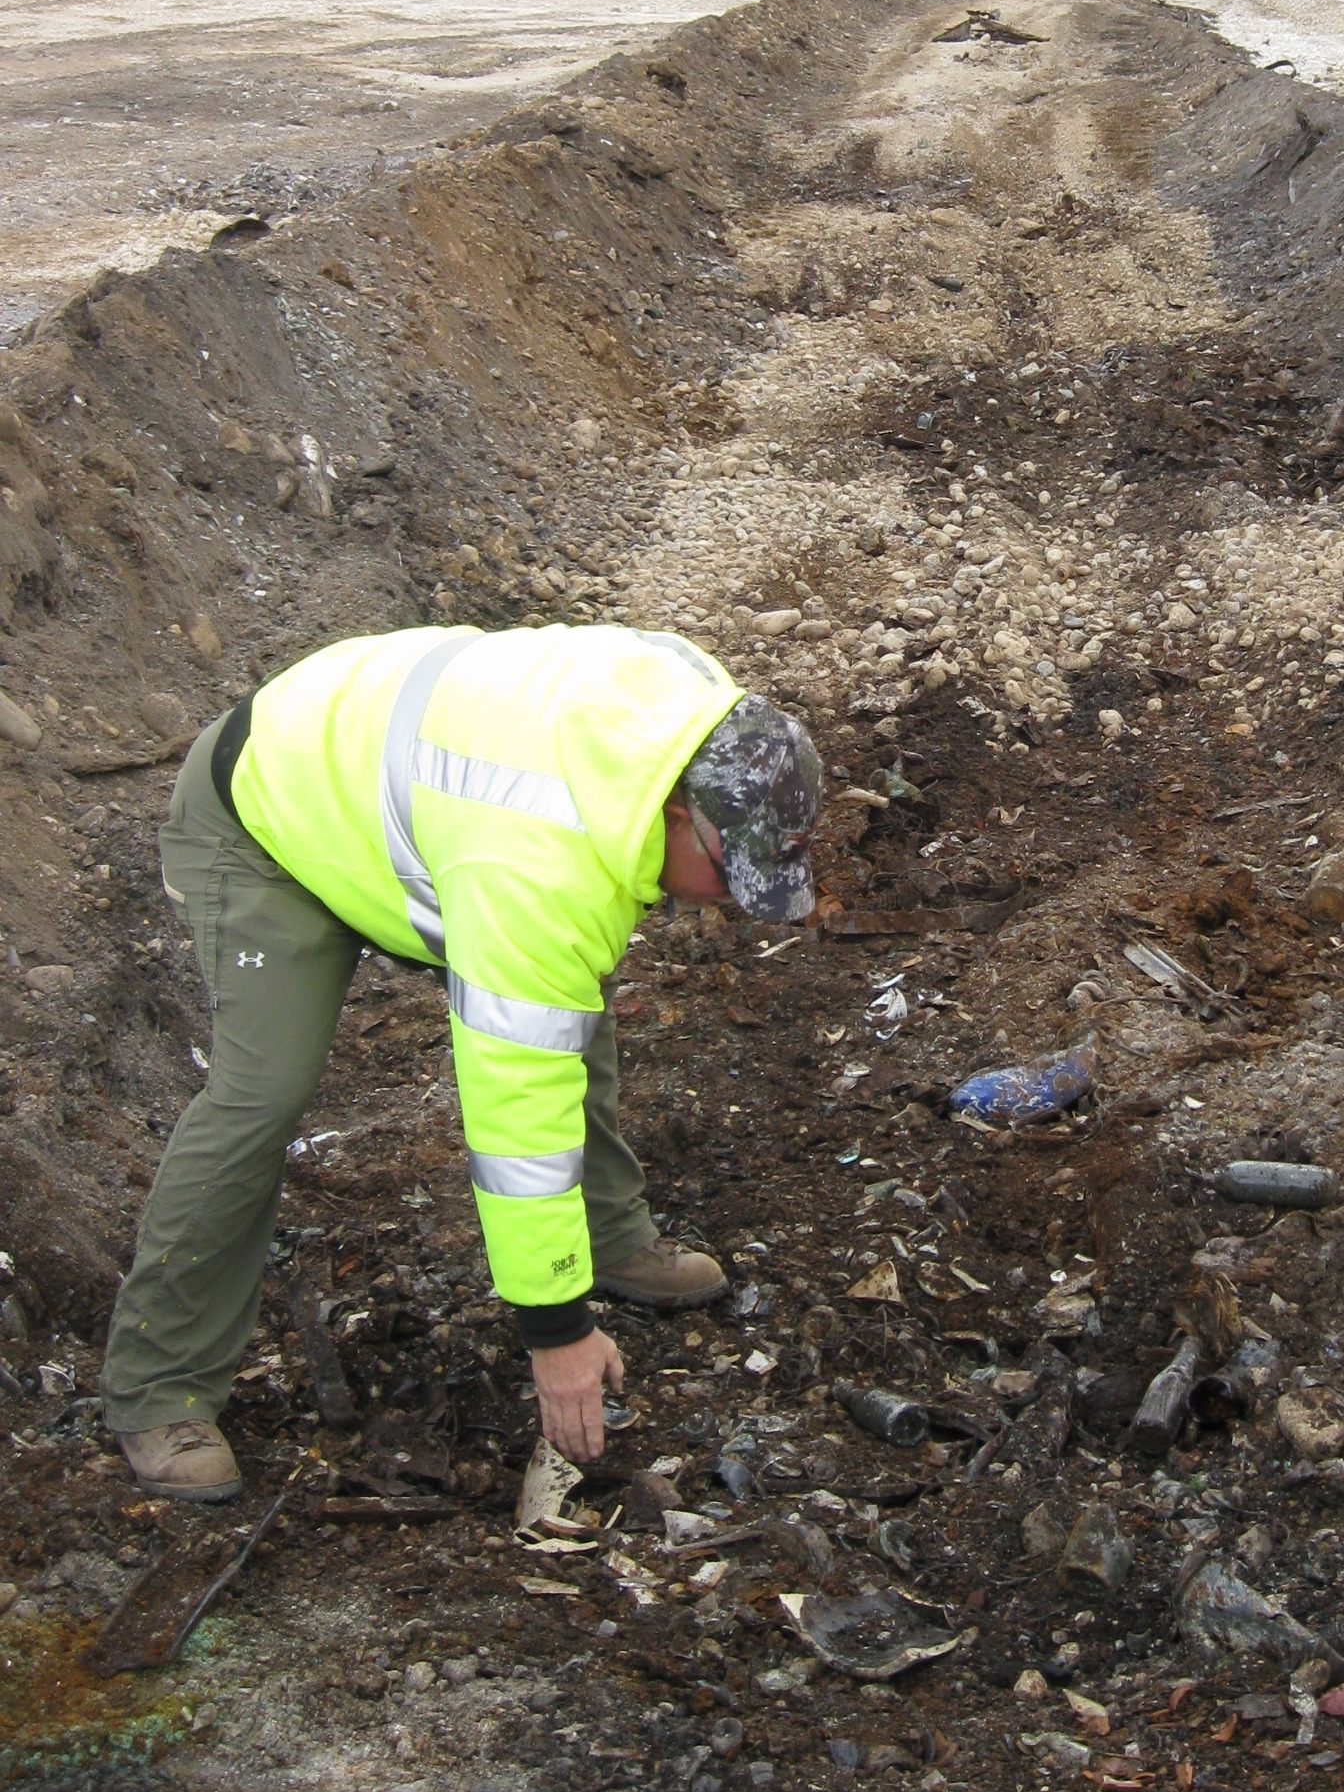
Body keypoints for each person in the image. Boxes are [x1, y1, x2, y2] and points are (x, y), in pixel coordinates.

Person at [102, 623, 821, 1501]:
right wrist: (555, 1334)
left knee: (565, 1010)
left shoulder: (701, 709)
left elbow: (548, 1014)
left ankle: (607, 1237)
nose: (735, 907)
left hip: (399, 789)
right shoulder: (535, 861)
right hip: (267, 818)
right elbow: (514, 1109)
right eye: (726, 874)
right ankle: (157, 1387)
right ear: (678, 814)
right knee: (263, 1092)